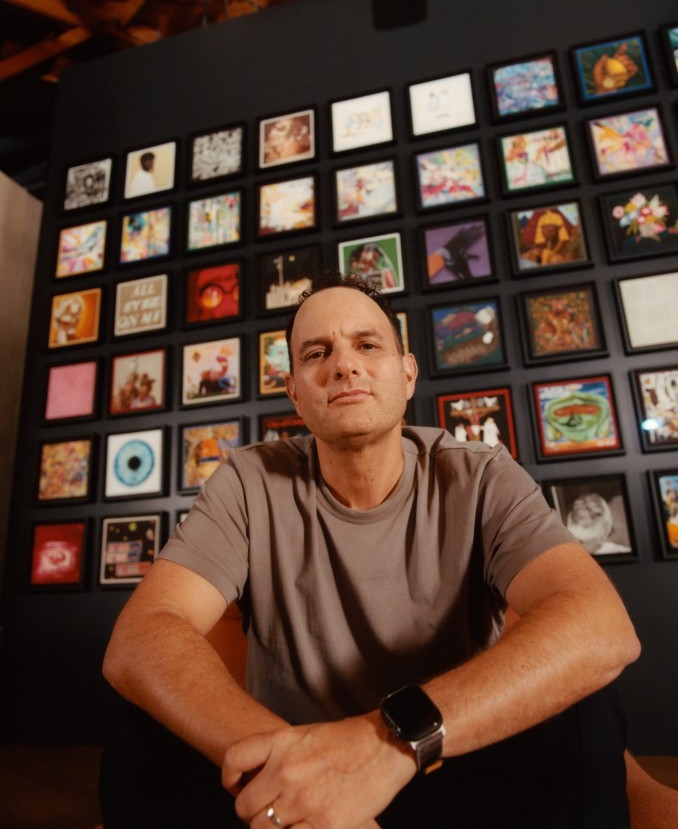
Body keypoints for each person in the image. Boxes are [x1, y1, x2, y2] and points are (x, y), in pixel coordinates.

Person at [102, 271, 640, 828]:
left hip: (446, 756)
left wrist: (385, 744)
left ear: (407, 375)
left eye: (367, 345)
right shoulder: (248, 479)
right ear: (294, 392)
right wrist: (305, 774)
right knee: (140, 724)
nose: (343, 365)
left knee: (585, 708)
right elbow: (140, 637)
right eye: (317, 352)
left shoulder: (480, 474)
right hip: (289, 761)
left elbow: (602, 626)